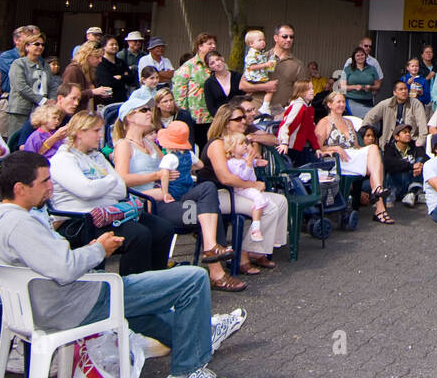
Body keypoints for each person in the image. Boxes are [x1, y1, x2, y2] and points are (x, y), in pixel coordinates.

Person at [0, 150, 247, 378]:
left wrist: (87, 250)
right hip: (74, 304)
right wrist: (99, 250)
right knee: (194, 279)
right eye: (44, 182)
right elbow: (64, 269)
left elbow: (49, 261)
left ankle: (199, 341)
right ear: (20, 188)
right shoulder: (21, 224)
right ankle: (187, 372)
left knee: (142, 305)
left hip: (43, 305)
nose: (50, 187)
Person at [109, 93, 240, 287]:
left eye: (148, 109)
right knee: (210, 215)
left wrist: (185, 160)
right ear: (129, 117)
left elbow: (172, 165)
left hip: (169, 195)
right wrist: (157, 176)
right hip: (151, 202)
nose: (149, 113)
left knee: (207, 188)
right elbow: (122, 180)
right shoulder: (124, 146)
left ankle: (211, 250)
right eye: (144, 110)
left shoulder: (150, 143)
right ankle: (216, 272)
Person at [49, 111, 175, 277]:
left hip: (109, 215)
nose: (100, 135)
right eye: (96, 131)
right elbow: (87, 191)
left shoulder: (97, 156)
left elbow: (121, 189)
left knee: (163, 228)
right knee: (138, 235)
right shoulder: (63, 159)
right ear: (80, 132)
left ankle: (157, 281)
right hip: (79, 221)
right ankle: (133, 291)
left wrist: (99, 186)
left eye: (101, 130)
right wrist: (108, 181)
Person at [200, 104, 289, 274]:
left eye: (243, 117)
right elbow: (225, 178)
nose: (243, 121)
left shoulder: (239, 141)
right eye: (238, 119)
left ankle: (259, 249)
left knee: (281, 202)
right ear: (226, 122)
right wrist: (253, 185)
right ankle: (243, 254)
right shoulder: (217, 144)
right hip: (218, 194)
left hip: (237, 191)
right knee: (268, 207)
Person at [315, 92, 392, 223]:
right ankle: (379, 205)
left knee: (373, 149)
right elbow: (317, 147)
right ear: (329, 105)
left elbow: (356, 146)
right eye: (338, 102)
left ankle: (378, 199)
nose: (341, 105)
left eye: (343, 102)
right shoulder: (325, 122)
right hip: (338, 160)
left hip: (352, 156)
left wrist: (370, 153)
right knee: (376, 167)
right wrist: (334, 148)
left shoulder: (349, 122)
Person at [3, 32, 52, 141]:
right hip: (21, 110)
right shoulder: (18, 64)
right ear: (27, 46)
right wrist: (42, 100)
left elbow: (52, 85)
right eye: (37, 44)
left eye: (42, 45)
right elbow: (20, 87)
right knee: (17, 141)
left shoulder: (46, 66)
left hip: (40, 111)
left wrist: (51, 101)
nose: (40, 47)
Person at [362, 79, 428, 150]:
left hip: (410, 141)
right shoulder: (386, 104)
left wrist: (420, 142)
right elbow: (369, 118)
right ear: (394, 93)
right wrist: (365, 135)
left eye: (405, 89)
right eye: (400, 89)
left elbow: (422, 126)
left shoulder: (416, 104)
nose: (404, 91)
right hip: (389, 142)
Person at [173, 33, 218, 124]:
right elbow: (179, 97)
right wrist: (185, 118)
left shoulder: (219, 65)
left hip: (216, 118)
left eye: (214, 44)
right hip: (196, 119)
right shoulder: (188, 67)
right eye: (209, 44)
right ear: (200, 46)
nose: (213, 46)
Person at [263, 24, 307, 114]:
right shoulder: (262, 58)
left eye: (291, 37)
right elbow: (243, 85)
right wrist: (263, 87)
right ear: (276, 38)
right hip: (257, 110)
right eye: (285, 36)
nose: (288, 39)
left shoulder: (298, 65)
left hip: (281, 112)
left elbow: (302, 92)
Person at [63, 42, 113, 114]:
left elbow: (91, 97)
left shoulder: (90, 71)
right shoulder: (73, 70)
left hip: (88, 113)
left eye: (101, 57)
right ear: (87, 56)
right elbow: (68, 95)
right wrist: (93, 92)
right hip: (75, 115)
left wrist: (101, 95)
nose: (100, 60)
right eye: (97, 57)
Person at [383, 123, 425, 206]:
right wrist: (411, 166)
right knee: (397, 167)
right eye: (405, 132)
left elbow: (425, 158)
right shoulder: (389, 148)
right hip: (396, 184)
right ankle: (411, 193)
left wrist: (420, 165)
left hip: (410, 180)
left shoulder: (414, 146)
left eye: (409, 132)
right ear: (396, 137)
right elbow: (389, 163)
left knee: (420, 161)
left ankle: (412, 192)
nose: (408, 134)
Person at [241, 29, 279, 114]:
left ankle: (241, 103)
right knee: (271, 88)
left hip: (256, 76)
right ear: (251, 43)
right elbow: (251, 67)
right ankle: (265, 106)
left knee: (250, 92)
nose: (263, 42)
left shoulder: (259, 53)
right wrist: (265, 65)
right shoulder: (252, 54)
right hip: (256, 76)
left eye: (264, 40)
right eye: (260, 40)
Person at [341, 46, 381, 119]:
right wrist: (354, 87)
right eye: (358, 55)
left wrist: (370, 87)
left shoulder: (372, 69)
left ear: (365, 56)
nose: (360, 57)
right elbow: (342, 87)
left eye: (362, 55)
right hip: (351, 101)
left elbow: (378, 85)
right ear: (354, 57)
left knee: (367, 122)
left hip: (367, 101)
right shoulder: (347, 69)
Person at [94, 36, 132, 105]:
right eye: (112, 44)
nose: (115, 46)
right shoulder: (101, 63)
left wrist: (121, 77)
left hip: (122, 99)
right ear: (104, 47)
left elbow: (131, 79)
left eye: (116, 44)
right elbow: (107, 82)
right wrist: (124, 77)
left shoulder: (121, 62)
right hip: (107, 101)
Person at [202, 51, 240, 119]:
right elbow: (211, 107)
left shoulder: (237, 76)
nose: (217, 64)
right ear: (209, 67)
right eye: (212, 63)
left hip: (239, 116)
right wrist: (223, 118)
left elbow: (245, 96)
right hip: (221, 119)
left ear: (222, 59)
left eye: (218, 60)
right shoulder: (209, 83)